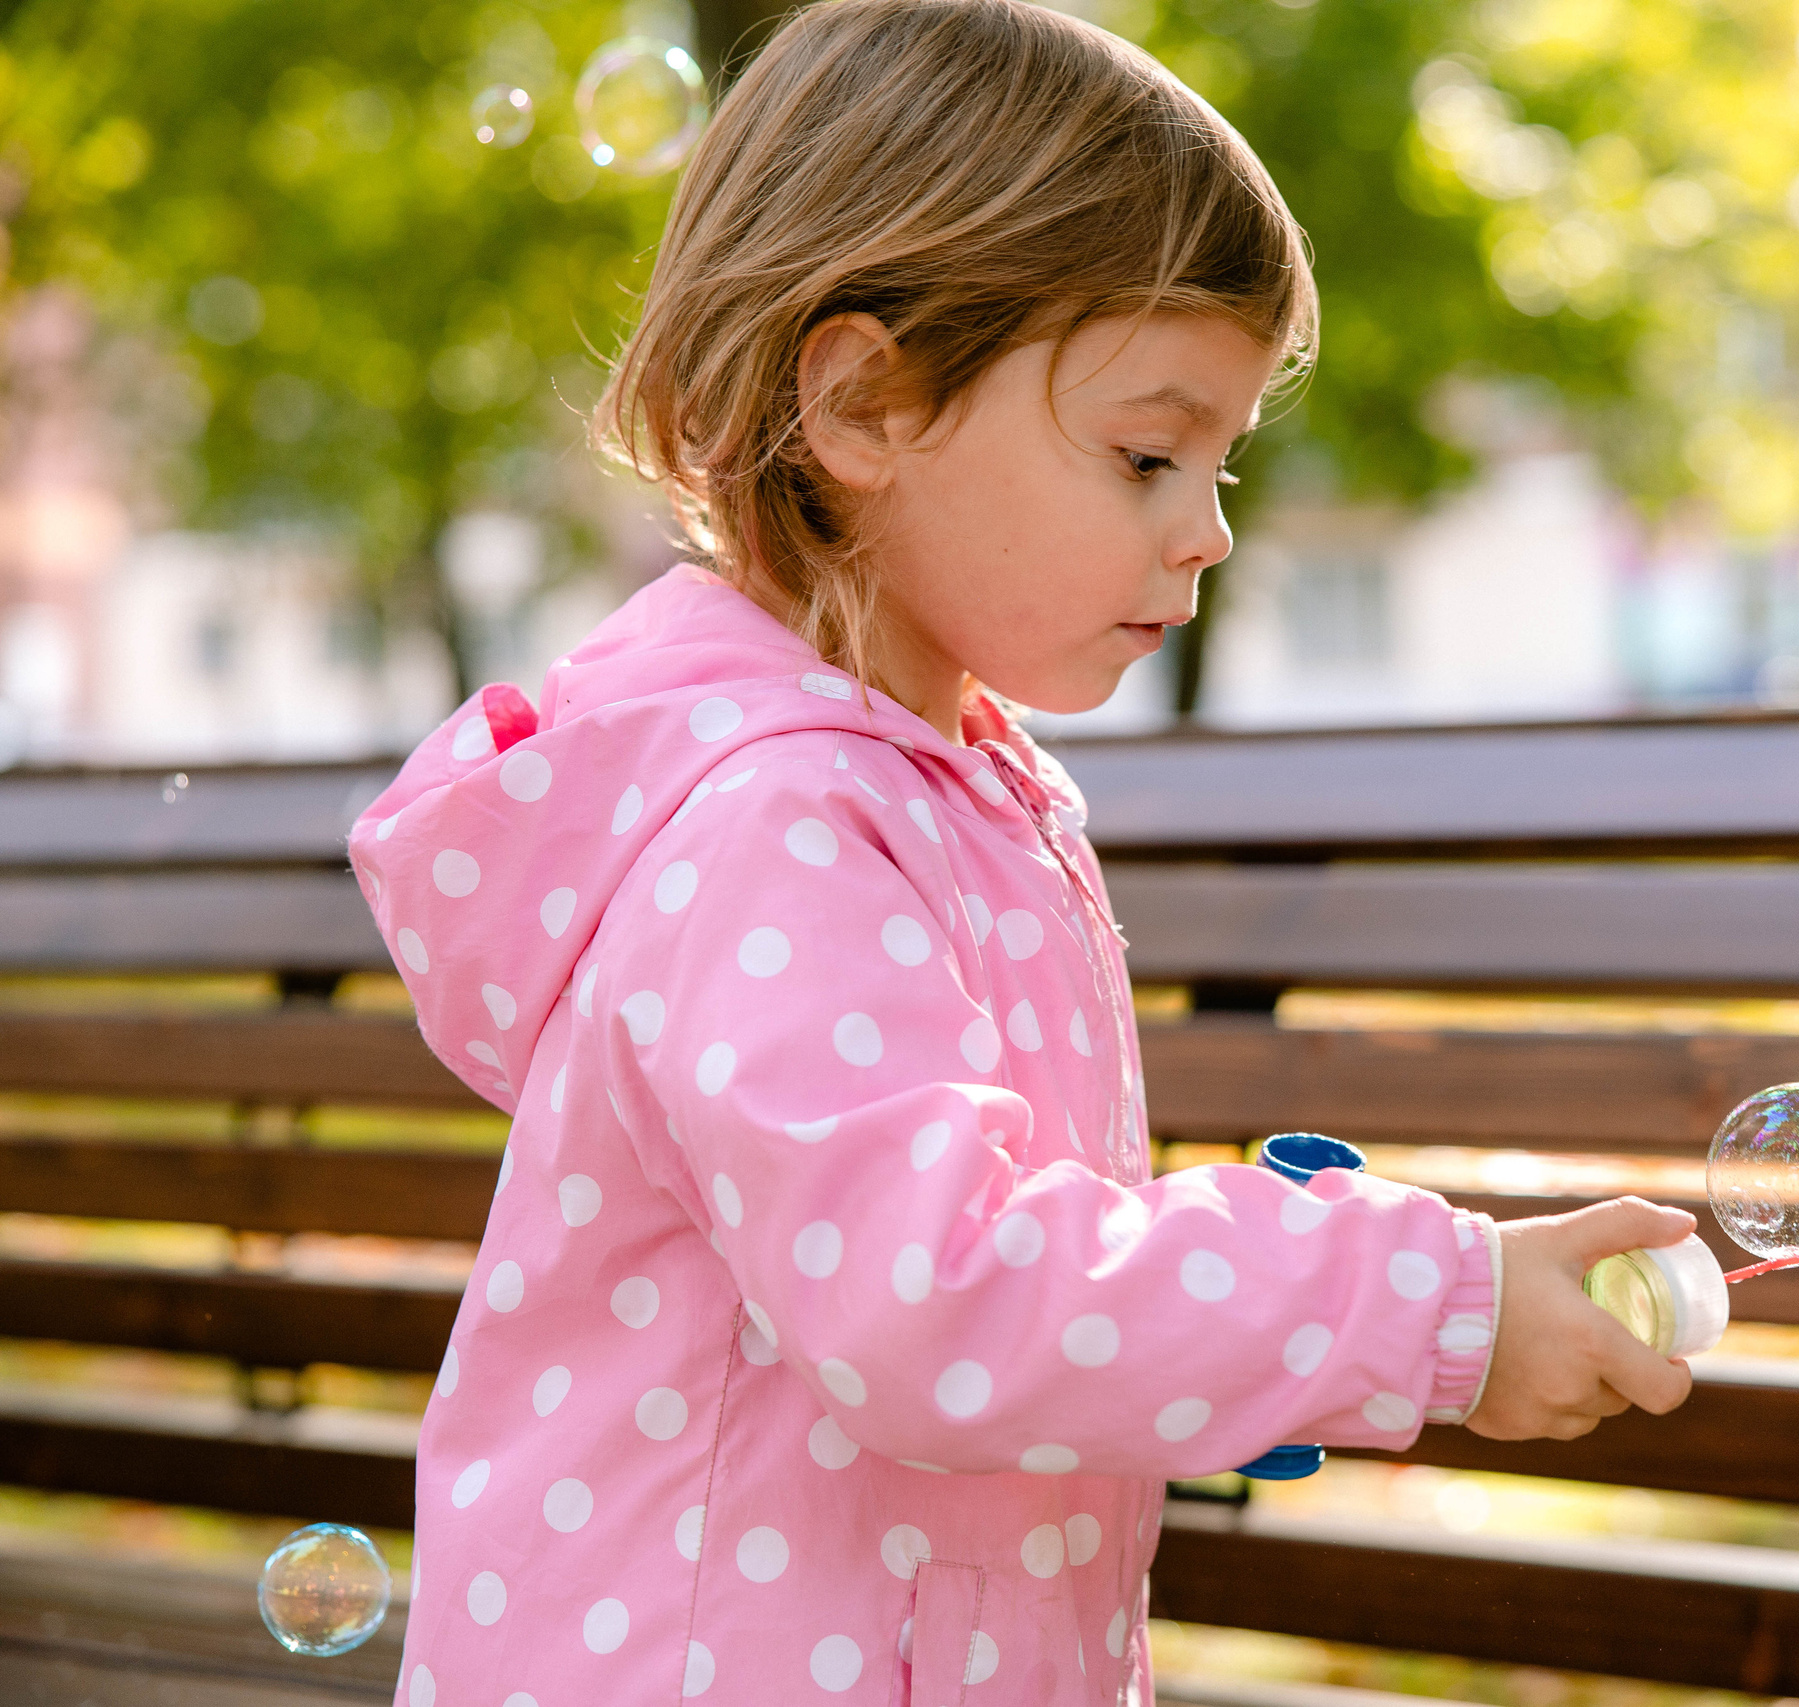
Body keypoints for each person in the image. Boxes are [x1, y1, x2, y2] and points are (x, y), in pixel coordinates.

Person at [351, 3, 1695, 1701]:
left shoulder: (941, 788)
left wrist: (1218, 1340)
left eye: (1221, 458)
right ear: (864, 403)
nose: (1208, 527)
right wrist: (1419, 1301)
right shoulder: (782, 827)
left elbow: (1009, 1276)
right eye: (1148, 450)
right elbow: (950, 1307)